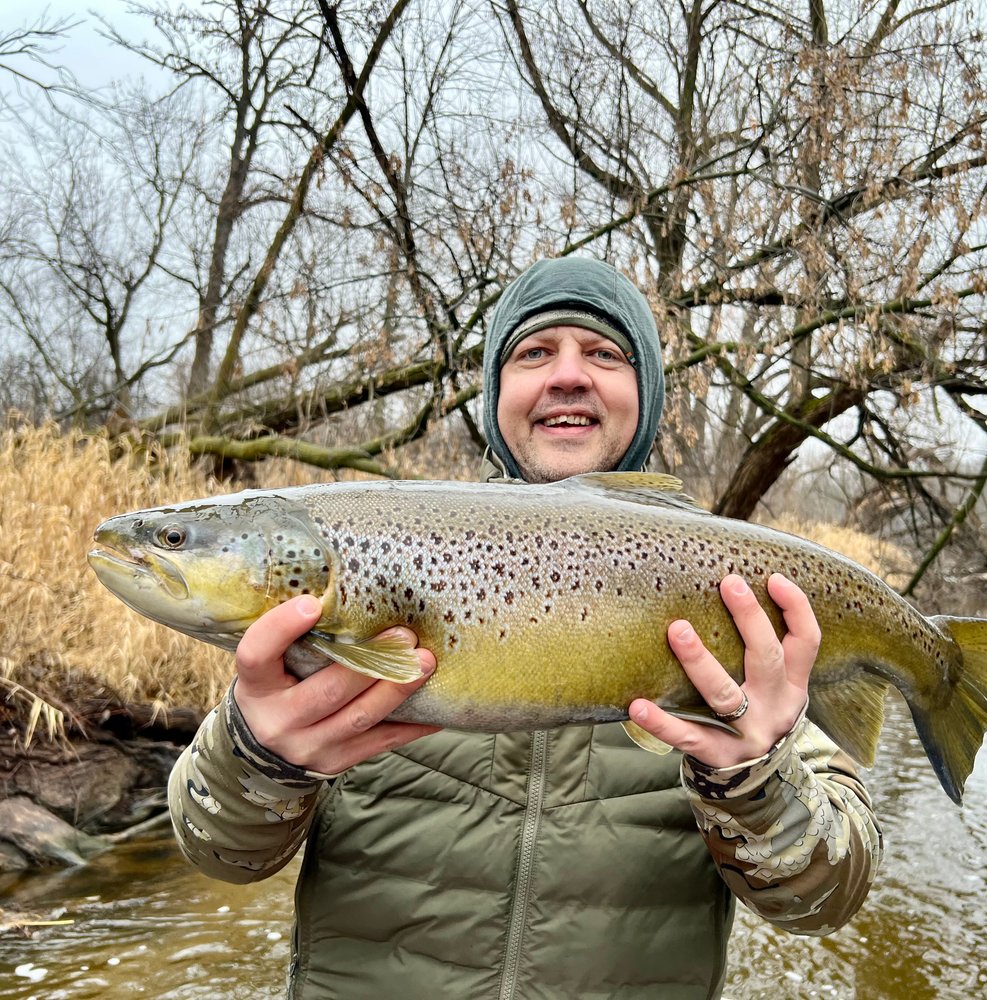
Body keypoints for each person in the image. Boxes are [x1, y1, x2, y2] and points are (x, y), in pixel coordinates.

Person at [169, 257, 882, 999]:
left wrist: (753, 776)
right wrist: (258, 758)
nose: (567, 375)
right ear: (495, 395)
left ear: (646, 396)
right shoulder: (347, 592)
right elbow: (220, 854)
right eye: (533, 353)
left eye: (604, 354)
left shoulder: (730, 612)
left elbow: (823, 900)